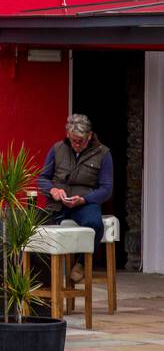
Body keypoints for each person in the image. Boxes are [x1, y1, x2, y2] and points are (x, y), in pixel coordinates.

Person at [39, 114, 112, 281]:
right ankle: (42, 277)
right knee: (38, 228)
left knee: (94, 223)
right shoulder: (57, 149)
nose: (77, 145)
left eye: (81, 141)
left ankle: (81, 264)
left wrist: (84, 200)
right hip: (58, 203)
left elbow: (107, 189)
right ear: (68, 135)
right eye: (73, 141)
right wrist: (53, 191)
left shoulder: (103, 153)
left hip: (84, 203)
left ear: (90, 135)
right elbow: (42, 178)